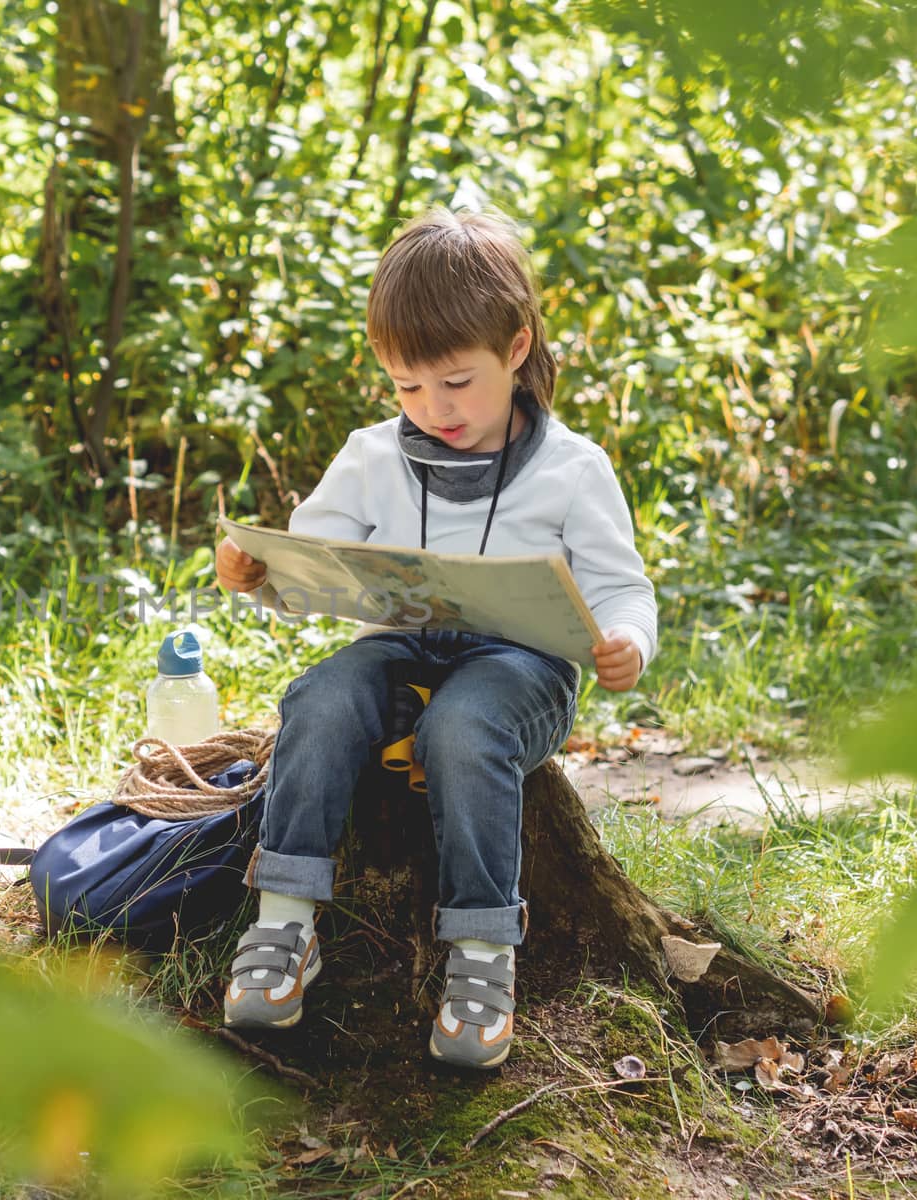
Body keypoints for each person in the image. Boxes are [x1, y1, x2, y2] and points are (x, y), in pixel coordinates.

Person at [213, 207, 657, 1069]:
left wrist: (627, 643)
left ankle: (483, 958)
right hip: (402, 648)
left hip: (517, 669)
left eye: (456, 382)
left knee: (464, 728)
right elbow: (314, 565)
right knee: (320, 697)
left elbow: (620, 587)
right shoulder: (372, 456)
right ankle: (284, 927)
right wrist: (263, 576)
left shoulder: (573, 468)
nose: (434, 407)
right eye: (409, 387)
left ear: (517, 348)